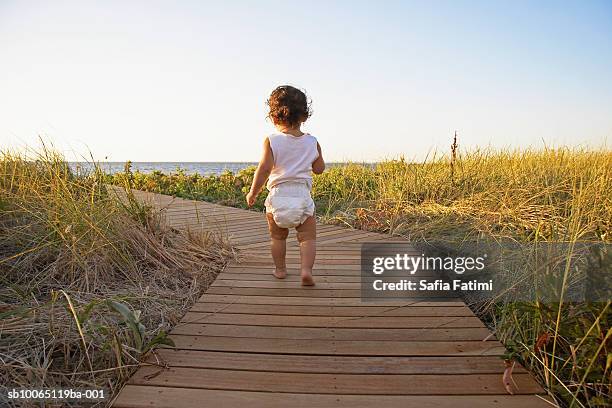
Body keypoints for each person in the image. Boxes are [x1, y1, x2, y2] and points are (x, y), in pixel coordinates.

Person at [246, 85, 325, 286]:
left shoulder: (272, 141)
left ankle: (280, 270)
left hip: (278, 196)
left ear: (273, 117)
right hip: (302, 196)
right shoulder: (312, 142)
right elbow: (319, 169)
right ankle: (306, 271)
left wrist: (253, 192)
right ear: (305, 116)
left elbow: (263, 169)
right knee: (307, 238)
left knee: (278, 238)